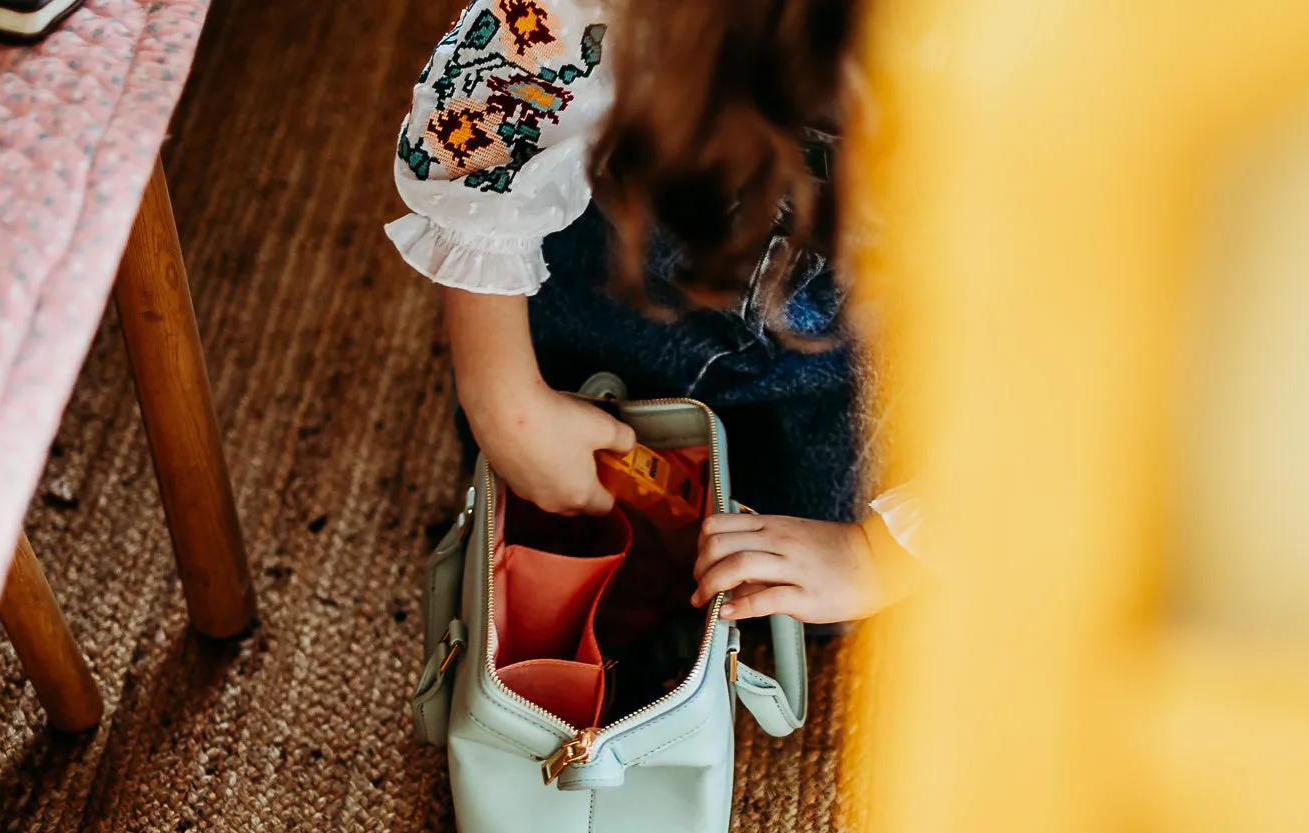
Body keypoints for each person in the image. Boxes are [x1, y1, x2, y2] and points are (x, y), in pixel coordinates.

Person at [386, 0, 923, 625]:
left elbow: (1055, 390)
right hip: (626, 254)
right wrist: (502, 398)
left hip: (871, 353)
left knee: (805, 594)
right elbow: (492, 108)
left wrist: (880, 556)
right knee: (531, 487)